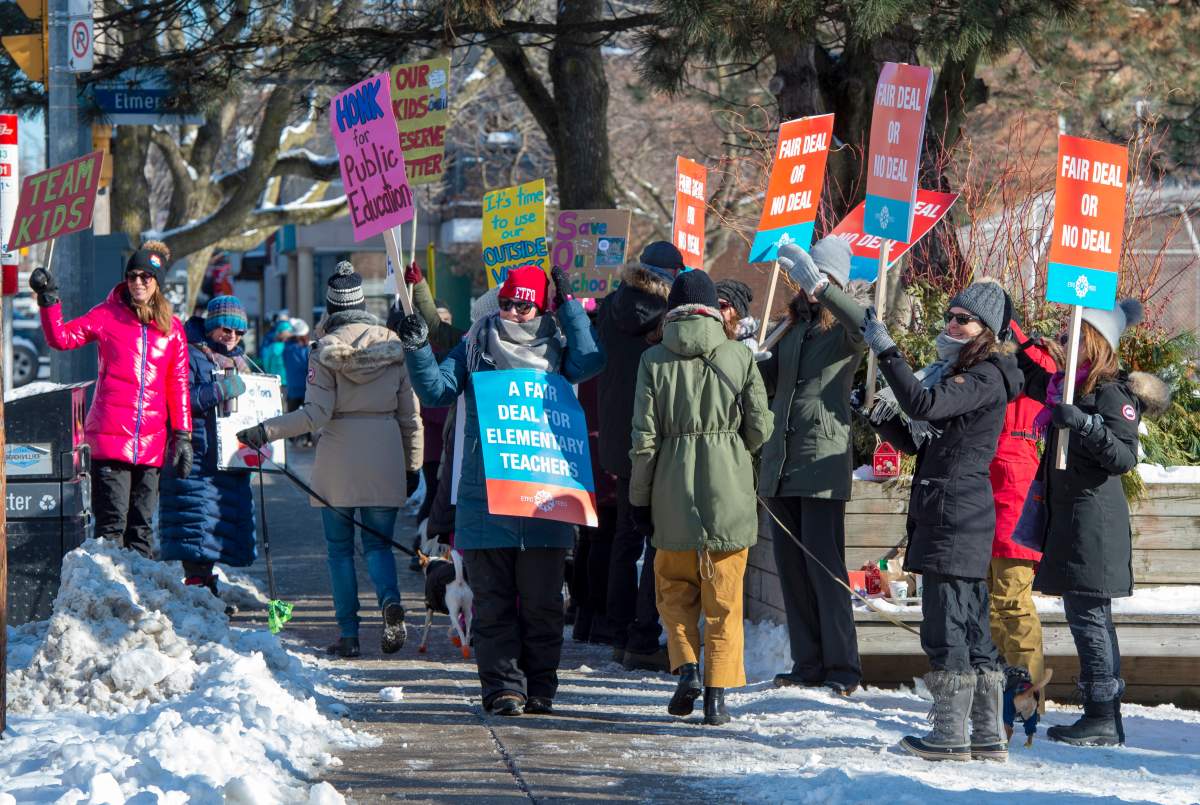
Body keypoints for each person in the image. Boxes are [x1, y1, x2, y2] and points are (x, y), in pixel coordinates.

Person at [395, 264, 605, 716]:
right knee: (491, 604)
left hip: (545, 498)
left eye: (523, 304)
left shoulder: (559, 349)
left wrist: (569, 307)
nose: (512, 311)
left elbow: (592, 359)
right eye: (506, 302)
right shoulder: (474, 347)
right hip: (485, 497)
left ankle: (541, 686)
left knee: (543, 604)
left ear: (540, 306)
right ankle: (502, 688)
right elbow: (434, 391)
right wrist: (416, 348)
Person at [860, 278, 1022, 762]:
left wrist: (888, 352)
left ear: (985, 331)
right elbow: (919, 439)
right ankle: (987, 734)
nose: (952, 324)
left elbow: (924, 405)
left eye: (963, 319)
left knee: (948, 624)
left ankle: (951, 735)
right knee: (968, 623)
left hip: (956, 512)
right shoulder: (962, 372)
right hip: (950, 508)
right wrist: (876, 416)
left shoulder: (984, 376)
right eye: (950, 315)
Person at [238, 261, 423, 658]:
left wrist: (263, 431)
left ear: (331, 307)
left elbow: (314, 416)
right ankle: (390, 602)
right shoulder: (394, 346)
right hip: (385, 450)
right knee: (378, 546)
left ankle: (350, 635)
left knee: (338, 550)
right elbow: (411, 416)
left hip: (339, 454)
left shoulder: (323, 352)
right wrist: (413, 465)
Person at [1015, 299, 1168, 747]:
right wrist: (1011, 329)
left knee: (1090, 617)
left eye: (1071, 336)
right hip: (1073, 520)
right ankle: (1102, 714)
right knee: (1086, 616)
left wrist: (1084, 424)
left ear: (1095, 343)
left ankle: (1103, 716)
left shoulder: (1110, 394)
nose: (1063, 342)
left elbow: (1123, 457)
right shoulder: (1068, 387)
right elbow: (1030, 374)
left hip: (1093, 525)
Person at [629, 270, 772, 725]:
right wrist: (733, 450)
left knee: (673, 592)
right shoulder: (740, 357)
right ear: (715, 308)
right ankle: (716, 698)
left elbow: (644, 441)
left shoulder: (652, 359)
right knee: (725, 600)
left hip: (671, 494)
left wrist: (639, 499)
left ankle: (687, 667)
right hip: (729, 492)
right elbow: (761, 429)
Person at [757, 237, 868, 696]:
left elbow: (866, 326)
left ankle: (843, 668)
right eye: (800, 282)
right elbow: (769, 388)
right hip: (779, 463)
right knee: (792, 572)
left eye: (813, 282)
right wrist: (753, 362)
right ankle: (808, 662)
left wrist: (823, 286)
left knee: (825, 569)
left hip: (820, 463)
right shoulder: (788, 327)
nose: (803, 291)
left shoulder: (843, 329)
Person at [31, 241, 192, 558]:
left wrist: (183, 435)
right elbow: (61, 338)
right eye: (133, 276)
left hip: (151, 443)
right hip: (109, 439)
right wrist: (48, 299)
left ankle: (138, 599)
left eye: (146, 276)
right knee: (111, 528)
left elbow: (178, 384)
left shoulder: (172, 330)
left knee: (142, 530)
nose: (138, 283)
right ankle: (109, 599)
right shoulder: (107, 315)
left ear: (157, 282)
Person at [596, 241, 683, 672]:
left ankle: (616, 632)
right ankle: (643, 636)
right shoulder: (670, 318)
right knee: (654, 542)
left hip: (616, 437)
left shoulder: (611, 307)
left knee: (624, 539)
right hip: (654, 438)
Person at [159, 296, 257, 605]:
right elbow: (178, 399)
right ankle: (197, 585)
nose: (232, 337)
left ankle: (206, 583)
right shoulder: (188, 353)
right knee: (194, 524)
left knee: (216, 526)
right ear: (212, 326)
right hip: (195, 456)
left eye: (239, 333)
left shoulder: (239, 360)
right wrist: (220, 390)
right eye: (226, 330)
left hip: (226, 458)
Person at [986, 309, 1056, 738]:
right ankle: (1009, 689)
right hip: (988, 487)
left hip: (1015, 486)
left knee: (1013, 602)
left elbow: (1045, 371)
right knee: (994, 608)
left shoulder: (1036, 360)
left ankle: (1029, 693)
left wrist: (1011, 330)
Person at [402, 262, 466, 566]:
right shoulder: (471, 343)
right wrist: (421, 289)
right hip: (443, 436)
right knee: (439, 499)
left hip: (469, 441)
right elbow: (435, 329)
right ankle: (424, 550)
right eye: (506, 306)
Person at [283, 318, 314, 448]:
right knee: (307, 416)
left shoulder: (286, 349)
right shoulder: (307, 351)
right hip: (306, 389)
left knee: (291, 415)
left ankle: (291, 438)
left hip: (292, 389)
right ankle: (307, 438)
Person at [714, 278, 760, 355]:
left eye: (722, 305)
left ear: (737, 309)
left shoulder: (747, 343)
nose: (717, 310)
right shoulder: (712, 332)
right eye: (714, 305)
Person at [261, 318, 293, 394]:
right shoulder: (292, 347)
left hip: (274, 382)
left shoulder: (272, 347)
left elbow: (266, 365)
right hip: (290, 383)